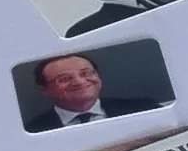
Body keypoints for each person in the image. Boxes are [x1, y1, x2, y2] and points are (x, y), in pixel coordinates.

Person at [26, 51, 160, 127]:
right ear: (44, 89)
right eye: (64, 79)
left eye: (85, 73)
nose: (79, 82)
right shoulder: (33, 130)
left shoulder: (144, 108)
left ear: (98, 76)